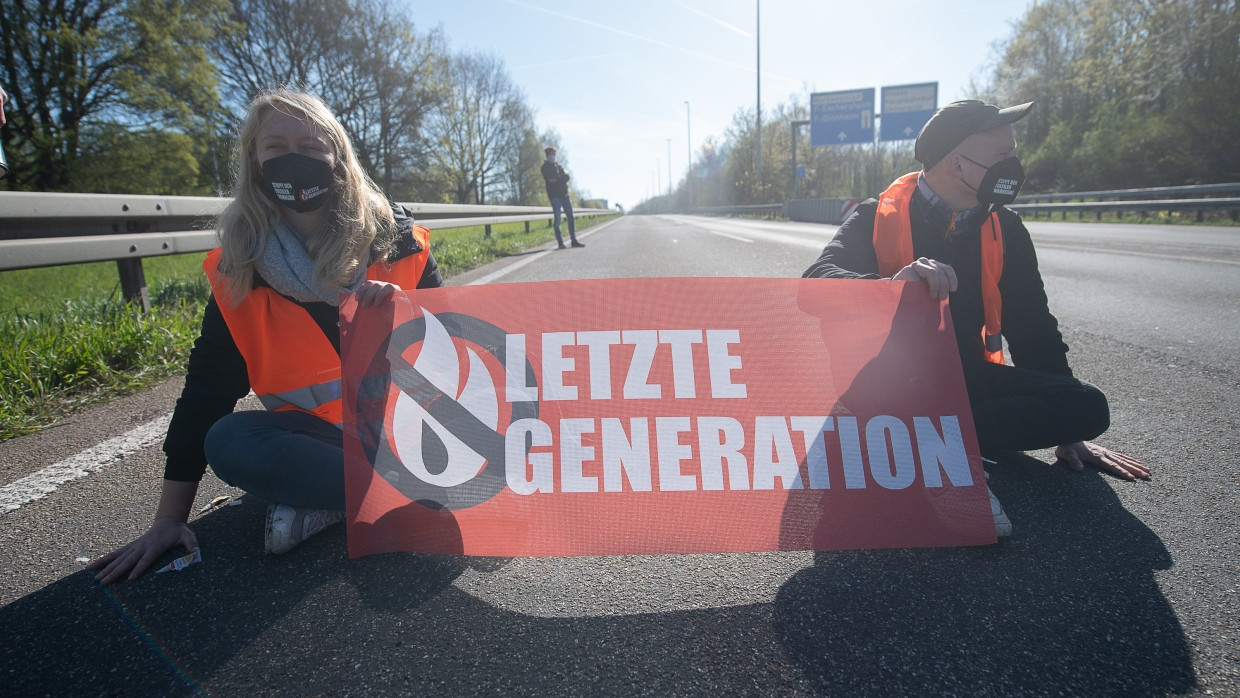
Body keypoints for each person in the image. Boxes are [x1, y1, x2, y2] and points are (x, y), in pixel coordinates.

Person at [90, 89, 443, 583]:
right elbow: (207, 393)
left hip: (413, 437)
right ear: (254, 162)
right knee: (230, 439)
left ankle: (347, 499)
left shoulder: (399, 243)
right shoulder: (240, 271)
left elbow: (463, 361)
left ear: (338, 157)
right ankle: (385, 496)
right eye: (276, 147)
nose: (294, 159)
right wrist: (168, 521)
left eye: (311, 146)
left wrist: (406, 318)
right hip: (325, 445)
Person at [802, 99, 1148, 536]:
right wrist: (891, 287)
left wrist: (1068, 430)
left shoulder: (1007, 226)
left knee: (1088, 406)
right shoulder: (875, 215)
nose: (1015, 167)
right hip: (887, 385)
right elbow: (815, 283)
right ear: (958, 164)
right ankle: (931, 451)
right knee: (901, 407)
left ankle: (934, 446)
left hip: (965, 380)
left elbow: (1033, 325)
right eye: (1003, 157)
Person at [540, 145, 583, 249]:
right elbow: (550, 179)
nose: (553, 156)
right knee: (557, 220)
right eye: (551, 155)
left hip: (565, 195)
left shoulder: (559, 167)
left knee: (571, 218)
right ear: (547, 155)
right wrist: (561, 179)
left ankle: (573, 240)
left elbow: (567, 177)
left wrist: (558, 179)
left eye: (554, 154)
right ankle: (560, 242)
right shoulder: (544, 168)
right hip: (554, 197)